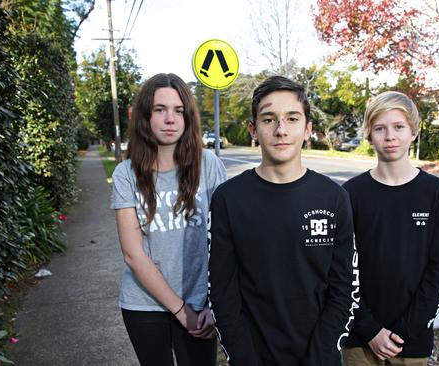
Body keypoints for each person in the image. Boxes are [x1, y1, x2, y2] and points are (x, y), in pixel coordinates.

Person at [208, 76, 358, 365]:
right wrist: (245, 358)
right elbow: (222, 293)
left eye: (292, 118)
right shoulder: (228, 199)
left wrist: (320, 356)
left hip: (319, 357)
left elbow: (344, 289)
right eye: (268, 119)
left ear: (307, 129)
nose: (281, 130)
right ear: (253, 129)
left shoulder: (334, 198)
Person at [110, 73, 227, 366]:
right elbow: (133, 254)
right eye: (160, 110)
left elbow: (226, 240)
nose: (170, 119)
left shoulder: (208, 164)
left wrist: (215, 305)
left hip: (202, 308)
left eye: (178, 110)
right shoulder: (126, 174)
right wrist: (180, 311)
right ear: (145, 117)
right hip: (144, 306)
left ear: (188, 117)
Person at [341, 91, 439, 366]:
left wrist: (403, 332)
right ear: (369, 135)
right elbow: (340, 270)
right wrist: (369, 330)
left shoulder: (436, 193)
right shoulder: (350, 194)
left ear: (414, 131)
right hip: (359, 338)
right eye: (380, 128)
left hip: (411, 340)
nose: (390, 136)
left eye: (398, 127)